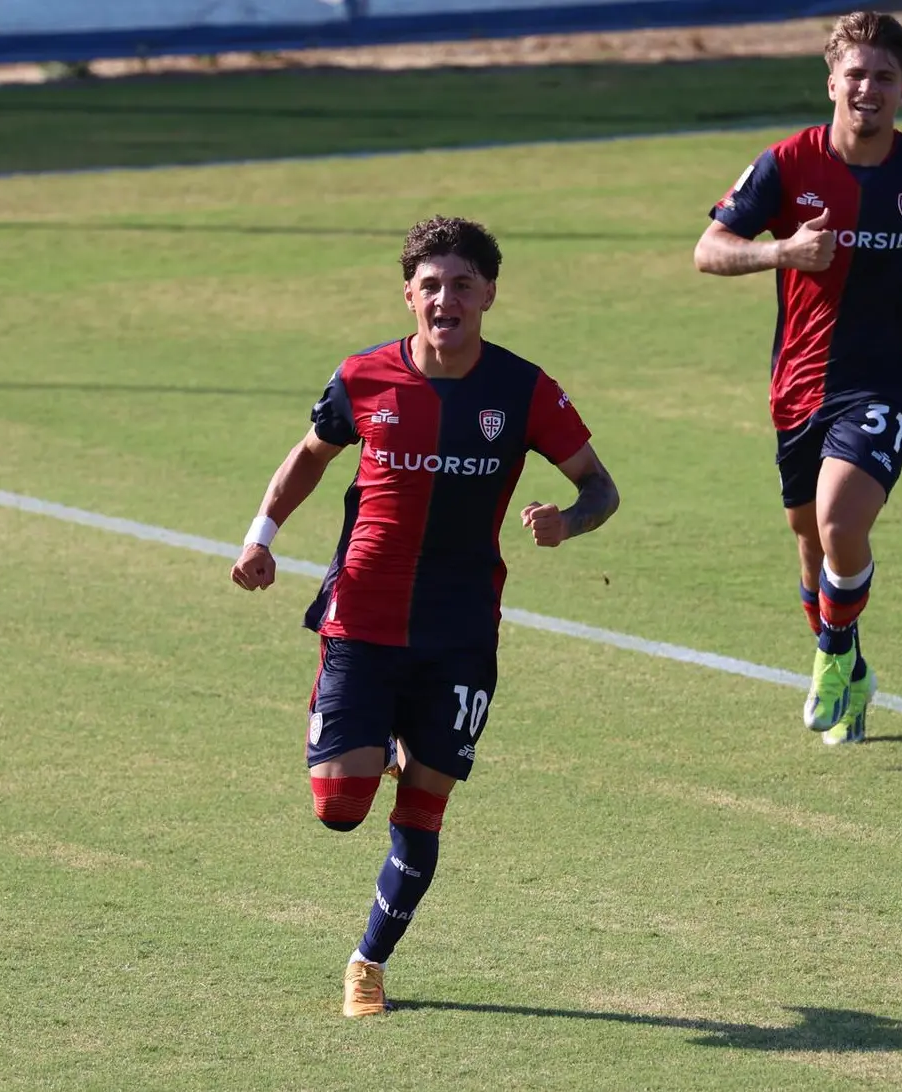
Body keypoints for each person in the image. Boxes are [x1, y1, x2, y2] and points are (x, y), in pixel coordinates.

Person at [230, 216, 619, 1017]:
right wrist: (259, 537)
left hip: (460, 629)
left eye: (463, 286)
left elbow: (599, 487)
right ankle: (384, 741)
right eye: (431, 286)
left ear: (489, 296)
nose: (446, 300)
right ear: (408, 294)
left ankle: (368, 963)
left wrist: (568, 522)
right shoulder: (363, 378)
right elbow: (309, 455)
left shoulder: (523, 391)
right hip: (362, 616)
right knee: (339, 808)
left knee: (425, 803)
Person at [692, 10, 902, 744]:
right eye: (856, 75)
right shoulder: (787, 165)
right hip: (799, 382)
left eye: (884, 77)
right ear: (831, 83)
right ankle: (851, 663)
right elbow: (709, 249)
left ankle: (827, 654)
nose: (868, 89)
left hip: (887, 378)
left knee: (838, 521)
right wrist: (780, 252)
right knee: (808, 539)